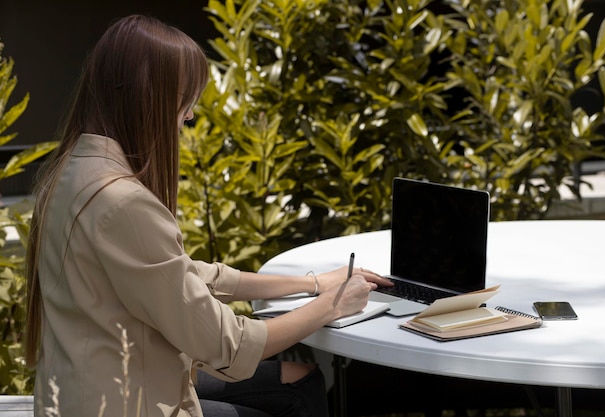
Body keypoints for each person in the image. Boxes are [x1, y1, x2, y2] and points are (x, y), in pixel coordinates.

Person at [23, 14, 392, 417]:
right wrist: (334, 305)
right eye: (186, 99)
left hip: (93, 390)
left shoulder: (73, 171)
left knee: (300, 380)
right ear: (150, 98)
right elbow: (227, 345)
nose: (190, 116)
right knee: (296, 391)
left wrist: (312, 283)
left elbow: (185, 275)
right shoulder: (122, 202)